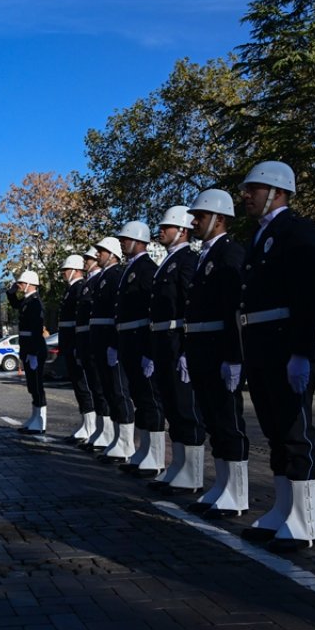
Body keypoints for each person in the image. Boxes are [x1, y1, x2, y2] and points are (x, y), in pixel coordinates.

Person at [236, 160, 315, 550]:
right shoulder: (260, 236)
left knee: (295, 433)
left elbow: (306, 297)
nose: (247, 196)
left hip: (285, 344)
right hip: (260, 345)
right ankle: (283, 508)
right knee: (274, 433)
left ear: (277, 191)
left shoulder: (297, 231)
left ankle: (305, 520)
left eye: (253, 189)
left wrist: (302, 351)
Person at [176, 190, 247, 517]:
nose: (194, 222)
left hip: (219, 349)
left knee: (228, 421)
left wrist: (233, 356)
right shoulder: (206, 254)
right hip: (202, 348)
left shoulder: (230, 253)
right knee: (213, 422)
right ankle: (222, 484)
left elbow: (233, 308)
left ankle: (237, 492)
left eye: (200, 216)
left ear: (219, 219)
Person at [146, 206, 203, 494]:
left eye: (166, 226)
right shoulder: (168, 262)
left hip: (176, 339)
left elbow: (189, 305)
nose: (161, 230)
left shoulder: (187, 260)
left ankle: (192, 474)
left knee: (185, 407)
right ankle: (179, 465)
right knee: (172, 406)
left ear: (182, 230)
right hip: (163, 340)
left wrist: (186, 348)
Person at [111, 221, 165, 476]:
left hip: (141, 341)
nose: (122, 243)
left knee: (149, 399)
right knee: (140, 399)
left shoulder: (146, 269)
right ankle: (144, 451)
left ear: (138, 241)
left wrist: (149, 351)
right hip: (129, 341)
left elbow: (151, 312)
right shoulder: (129, 270)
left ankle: (155, 456)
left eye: (125, 239)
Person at [88, 237, 134, 458]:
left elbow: (117, 311)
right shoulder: (104, 277)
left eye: (101, 251)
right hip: (100, 340)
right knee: (108, 390)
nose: (97, 255)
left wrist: (115, 344)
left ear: (113, 254)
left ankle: (126, 442)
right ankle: (117, 437)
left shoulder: (116, 275)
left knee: (118, 391)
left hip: (110, 340)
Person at [57, 255, 96, 443]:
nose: (64, 274)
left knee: (84, 386)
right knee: (78, 386)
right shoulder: (72, 289)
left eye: (66, 270)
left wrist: (75, 345)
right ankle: (86, 423)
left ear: (75, 270)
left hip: (76, 342)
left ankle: (90, 426)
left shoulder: (79, 287)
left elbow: (78, 321)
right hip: (70, 343)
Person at [75, 248, 112, 450]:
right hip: (90, 341)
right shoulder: (90, 283)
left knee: (103, 390)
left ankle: (107, 433)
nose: (88, 261)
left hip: (100, 341)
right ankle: (99, 431)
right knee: (96, 389)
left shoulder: (100, 280)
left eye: (88, 258)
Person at [8, 271, 48, 433]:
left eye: (21, 283)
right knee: (32, 385)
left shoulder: (35, 302)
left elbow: (36, 330)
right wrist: (10, 293)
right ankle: (34, 417)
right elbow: (16, 304)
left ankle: (40, 421)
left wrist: (32, 352)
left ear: (30, 284)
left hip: (35, 348)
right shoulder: (27, 301)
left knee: (37, 386)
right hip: (28, 347)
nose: (20, 286)